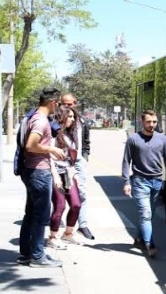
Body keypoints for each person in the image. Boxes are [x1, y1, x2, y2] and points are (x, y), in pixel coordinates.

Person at [18, 87, 65, 268]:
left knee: (31, 214)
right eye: (58, 103)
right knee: (40, 216)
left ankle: (28, 253)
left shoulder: (34, 117)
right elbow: (31, 145)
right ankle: (37, 256)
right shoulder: (41, 121)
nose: (58, 107)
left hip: (33, 171)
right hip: (38, 172)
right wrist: (52, 149)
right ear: (52, 102)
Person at [122, 110, 166, 258]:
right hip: (140, 181)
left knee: (148, 214)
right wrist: (126, 182)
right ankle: (149, 244)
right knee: (146, 214)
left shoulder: (162, 139)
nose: (152, 125)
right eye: (148, 122)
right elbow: (126, 161)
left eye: (154, 122)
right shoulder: (133, 139)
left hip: (157, 181)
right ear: (142, 122)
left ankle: (139, 238)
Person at [47, 106, 83, 250]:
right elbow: (49, 157)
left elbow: (70, 158)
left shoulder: (70, 135)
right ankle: (53, 236)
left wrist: (74, 173)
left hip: (68, 172)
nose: (73, 119)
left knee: (76, 204)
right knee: (60, 206)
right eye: (70, 117)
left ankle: (68, 233)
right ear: (62, 117)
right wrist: (55, 176)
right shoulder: (53, 135)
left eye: (74, 117)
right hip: (56, 173)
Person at [60, 93, 95, 240]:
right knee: (59, 195)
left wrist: (85, 157)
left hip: (78, 162)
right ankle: (57, 224)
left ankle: (83, 224)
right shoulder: (58, 121)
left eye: (70, 104)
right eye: (64, 104)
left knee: (81, 193)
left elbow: (86, 142)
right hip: (61, 163)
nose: (67, 107)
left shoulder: (82, 121)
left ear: (75, 103)